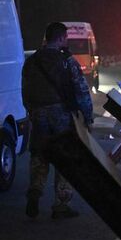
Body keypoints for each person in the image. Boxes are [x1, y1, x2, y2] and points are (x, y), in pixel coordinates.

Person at [21, 22, 94, 219]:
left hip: (38, 113)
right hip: (61, 114)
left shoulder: (32, 61)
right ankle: (61, 204)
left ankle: (35, 190)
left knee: (40, 153)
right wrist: (87, 117)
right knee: (65, 156)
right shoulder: (67, 61)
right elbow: (81, 90)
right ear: (62, 38)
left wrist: (32, 111)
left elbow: (25, 90)